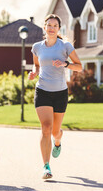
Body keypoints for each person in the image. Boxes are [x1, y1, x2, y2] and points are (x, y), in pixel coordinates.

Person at [28, 14, 82, 180]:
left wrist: (65, 64)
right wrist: (34, 72)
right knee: (45, 128)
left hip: (60, 93)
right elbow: (37, 65)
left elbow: (79, 67)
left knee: (55, 131)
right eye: (49, 25)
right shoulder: (37, 47)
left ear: (59, 29)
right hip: (42, 90)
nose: (51, 28)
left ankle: (57, 142)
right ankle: (46, 166)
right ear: (44, 28)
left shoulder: (64, 46)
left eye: (55, 26)